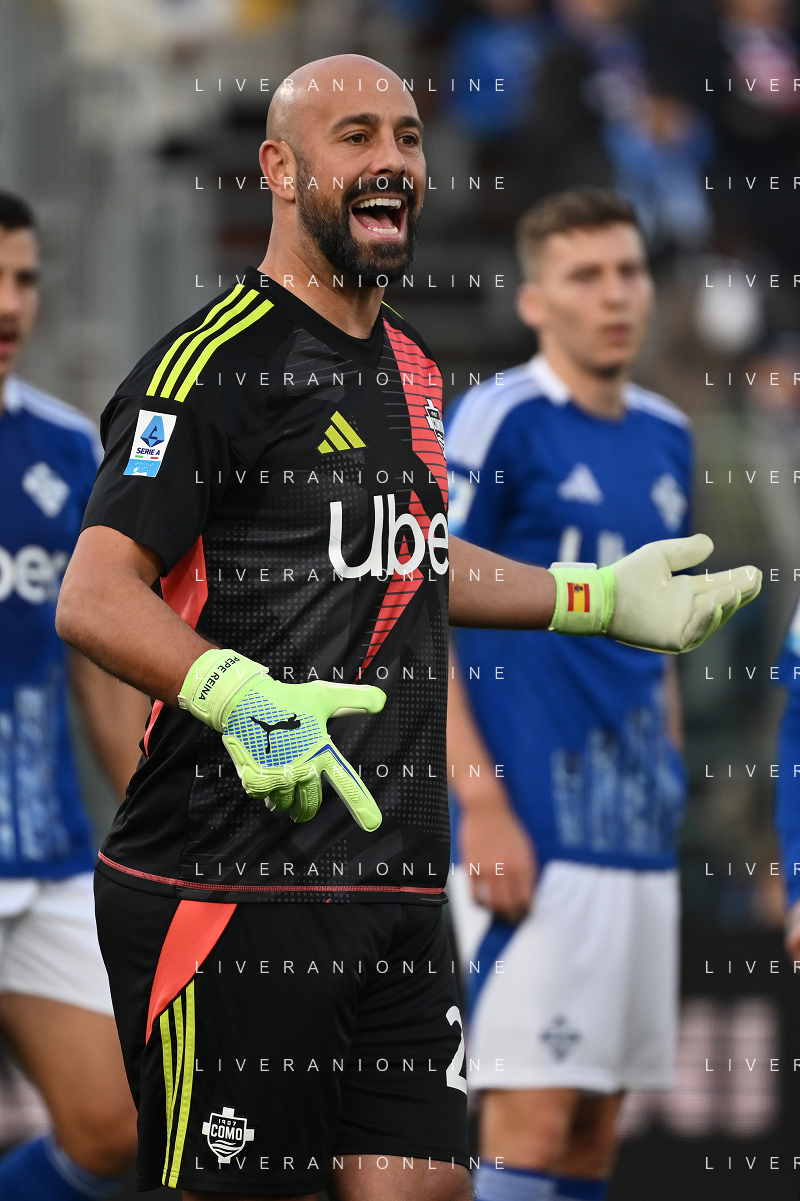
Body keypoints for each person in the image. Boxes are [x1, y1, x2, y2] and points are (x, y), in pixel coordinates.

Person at [53, 58, 757, 1201]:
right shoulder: (209, 366)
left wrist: (589, 598)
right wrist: (237, 695)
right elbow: (92, 592)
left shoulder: (414, 368)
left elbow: (415, 559)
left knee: (427, 1187)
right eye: (354, 136)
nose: (391, 159)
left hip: (395, 885)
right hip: (230, 884)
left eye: (408, 137)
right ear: (279, 169)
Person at [445, 187, 697, 1201]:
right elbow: (417, 600)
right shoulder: (500, 418)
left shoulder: (669, 434)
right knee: (533, 1118)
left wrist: (671, 760)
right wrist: (479, 802)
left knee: (593, 1130)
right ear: (533, 301)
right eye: (584, 276)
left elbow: (661, 626)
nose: (613, 294)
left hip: (635, 828)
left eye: (627, 271)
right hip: (530, 828)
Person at [0, 193, 147, 1198]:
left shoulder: (62, 450)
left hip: (44, 855)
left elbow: (99, 678)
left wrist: (173, 828)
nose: (11, 303)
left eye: (24, 279)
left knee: (113, 1130)